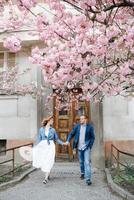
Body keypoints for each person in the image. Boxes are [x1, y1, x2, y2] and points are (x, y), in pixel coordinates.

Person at [33, 116, 65, 184]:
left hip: (50, 146)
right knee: (44, 160)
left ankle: (46, 178)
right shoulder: (41, 129)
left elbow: (56, 139)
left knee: (49, 160)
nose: (53, 121)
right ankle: (47, 174)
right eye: (52, 120)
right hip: (43, 146)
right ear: (48, 120)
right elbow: (39, 139)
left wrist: (63, 143)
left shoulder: (53, 130)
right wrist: (36, 147)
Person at [65, 115, 95, 185]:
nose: (80, 120)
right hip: (79, 147)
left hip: (86, 147)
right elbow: (71, 134)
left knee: (87, 162)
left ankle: (88, 179)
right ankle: (82, 173)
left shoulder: (90, 127)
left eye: (82, 119)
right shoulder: (77, 126)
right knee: (81, 162)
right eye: (80, 119)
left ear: (85, 119)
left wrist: (90, 146)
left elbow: (92, 137)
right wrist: (68, 140)